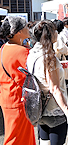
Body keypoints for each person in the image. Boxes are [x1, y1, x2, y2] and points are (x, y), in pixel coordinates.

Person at [27, 20, 68, 145]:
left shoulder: (32, 54)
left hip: (38, 108)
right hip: (54, 110)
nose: (57, 32)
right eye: (55, 30)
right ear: (50, 34)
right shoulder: (49, 58)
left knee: (44, 141)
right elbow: (55, 89)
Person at [0, 16, 36, 145]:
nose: (28, 28)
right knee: (17, 137)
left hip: (7, 96)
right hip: (19, 99)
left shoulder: (3, 48)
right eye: (25, 26)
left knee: (15, 134)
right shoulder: (23, 52)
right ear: (18, 32)